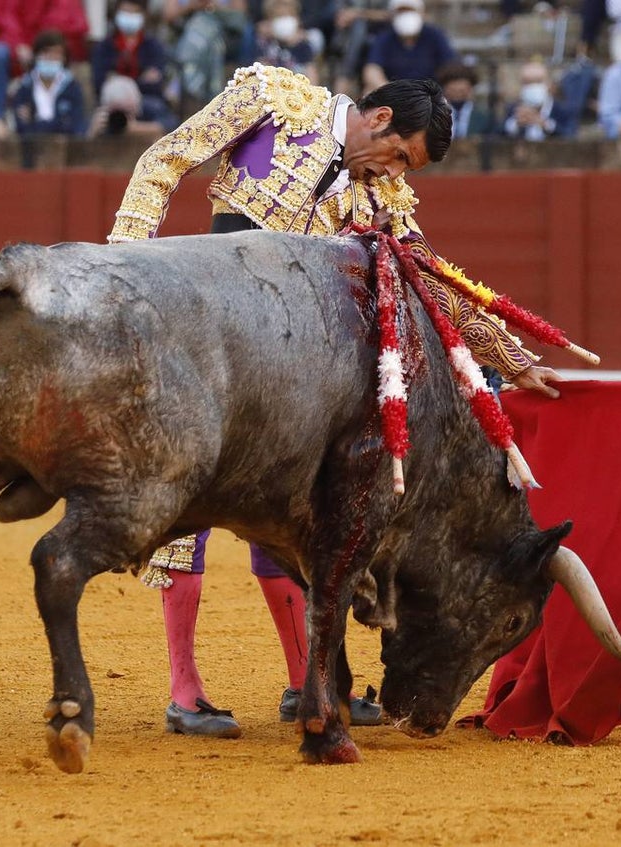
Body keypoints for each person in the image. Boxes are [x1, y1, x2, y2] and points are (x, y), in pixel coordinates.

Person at [109, 63, 563, 737]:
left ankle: (306, 684)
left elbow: (431, 285)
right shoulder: (275, 100)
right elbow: (163, 157)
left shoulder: (384, 197)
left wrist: (511, 356)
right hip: (204, 337)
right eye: (399, 155)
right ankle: (185, 690)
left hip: (289, 373)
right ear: (379, 120)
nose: (396, 173)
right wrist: (128, 271)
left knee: (289, 512)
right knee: (187, 504)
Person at [90, 0, 177, 131]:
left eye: (134, 12)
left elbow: (156, 84)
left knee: (167, 118)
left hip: (145, 102)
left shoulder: (154, 46)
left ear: (144, 15)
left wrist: (118, 81)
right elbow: (99, 82)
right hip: (112, 103)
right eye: (125, 12)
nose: (129, 16)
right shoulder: (104, 47)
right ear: (116, 14)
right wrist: (140, 80)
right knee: (99, 121)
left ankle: (137, 129)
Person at [362, 0, 456, 95]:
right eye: (401, 12)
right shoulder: (385, 37)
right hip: (395, 93)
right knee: (369, 92)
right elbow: (372, 69)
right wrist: (388, 89)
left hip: (429, 92)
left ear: (421, 13)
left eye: (411, 11)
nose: (406, 16)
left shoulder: (435, 35)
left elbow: (450, 65)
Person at [10, 29, 87, 136]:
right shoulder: (24, 88)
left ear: (64, 58)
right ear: (36, 55)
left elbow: (75, 127)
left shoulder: (73, 88)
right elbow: (22, 128)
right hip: (32, 149)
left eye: (56, 53)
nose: (51, 58)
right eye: (46, 52)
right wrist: (58, 124)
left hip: (65, 149)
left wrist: (36, 122)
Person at [503, 59, 575, 140]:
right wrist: (516, 124)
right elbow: (496, 134)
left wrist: (545, 124)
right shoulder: (513, 109)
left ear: (548, 83)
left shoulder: (563, 109)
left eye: (538, 81)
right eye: (527, 82)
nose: (533, 86)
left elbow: (570, 134)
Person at [88, 71, 171, 138]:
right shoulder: (103, 119)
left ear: (137, 105)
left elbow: (169, 127)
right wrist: (92, 133)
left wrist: (134, 128)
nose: (122, 117)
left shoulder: (152, 106)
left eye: (127, 112)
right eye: (118, 111)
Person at [253, 0, 318, 82]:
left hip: (298, 88)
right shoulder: (264, 42)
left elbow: (312, 74)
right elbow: (260, 69)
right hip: (273, 86)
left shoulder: (303, 44)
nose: (284, 22)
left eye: (288, 16)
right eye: (279, 16)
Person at [436, 61, 493, 139]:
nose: (457, 94)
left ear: (471, 89)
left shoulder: (485, 117)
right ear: (444, 89)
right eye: (453, 91)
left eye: (462, 91)